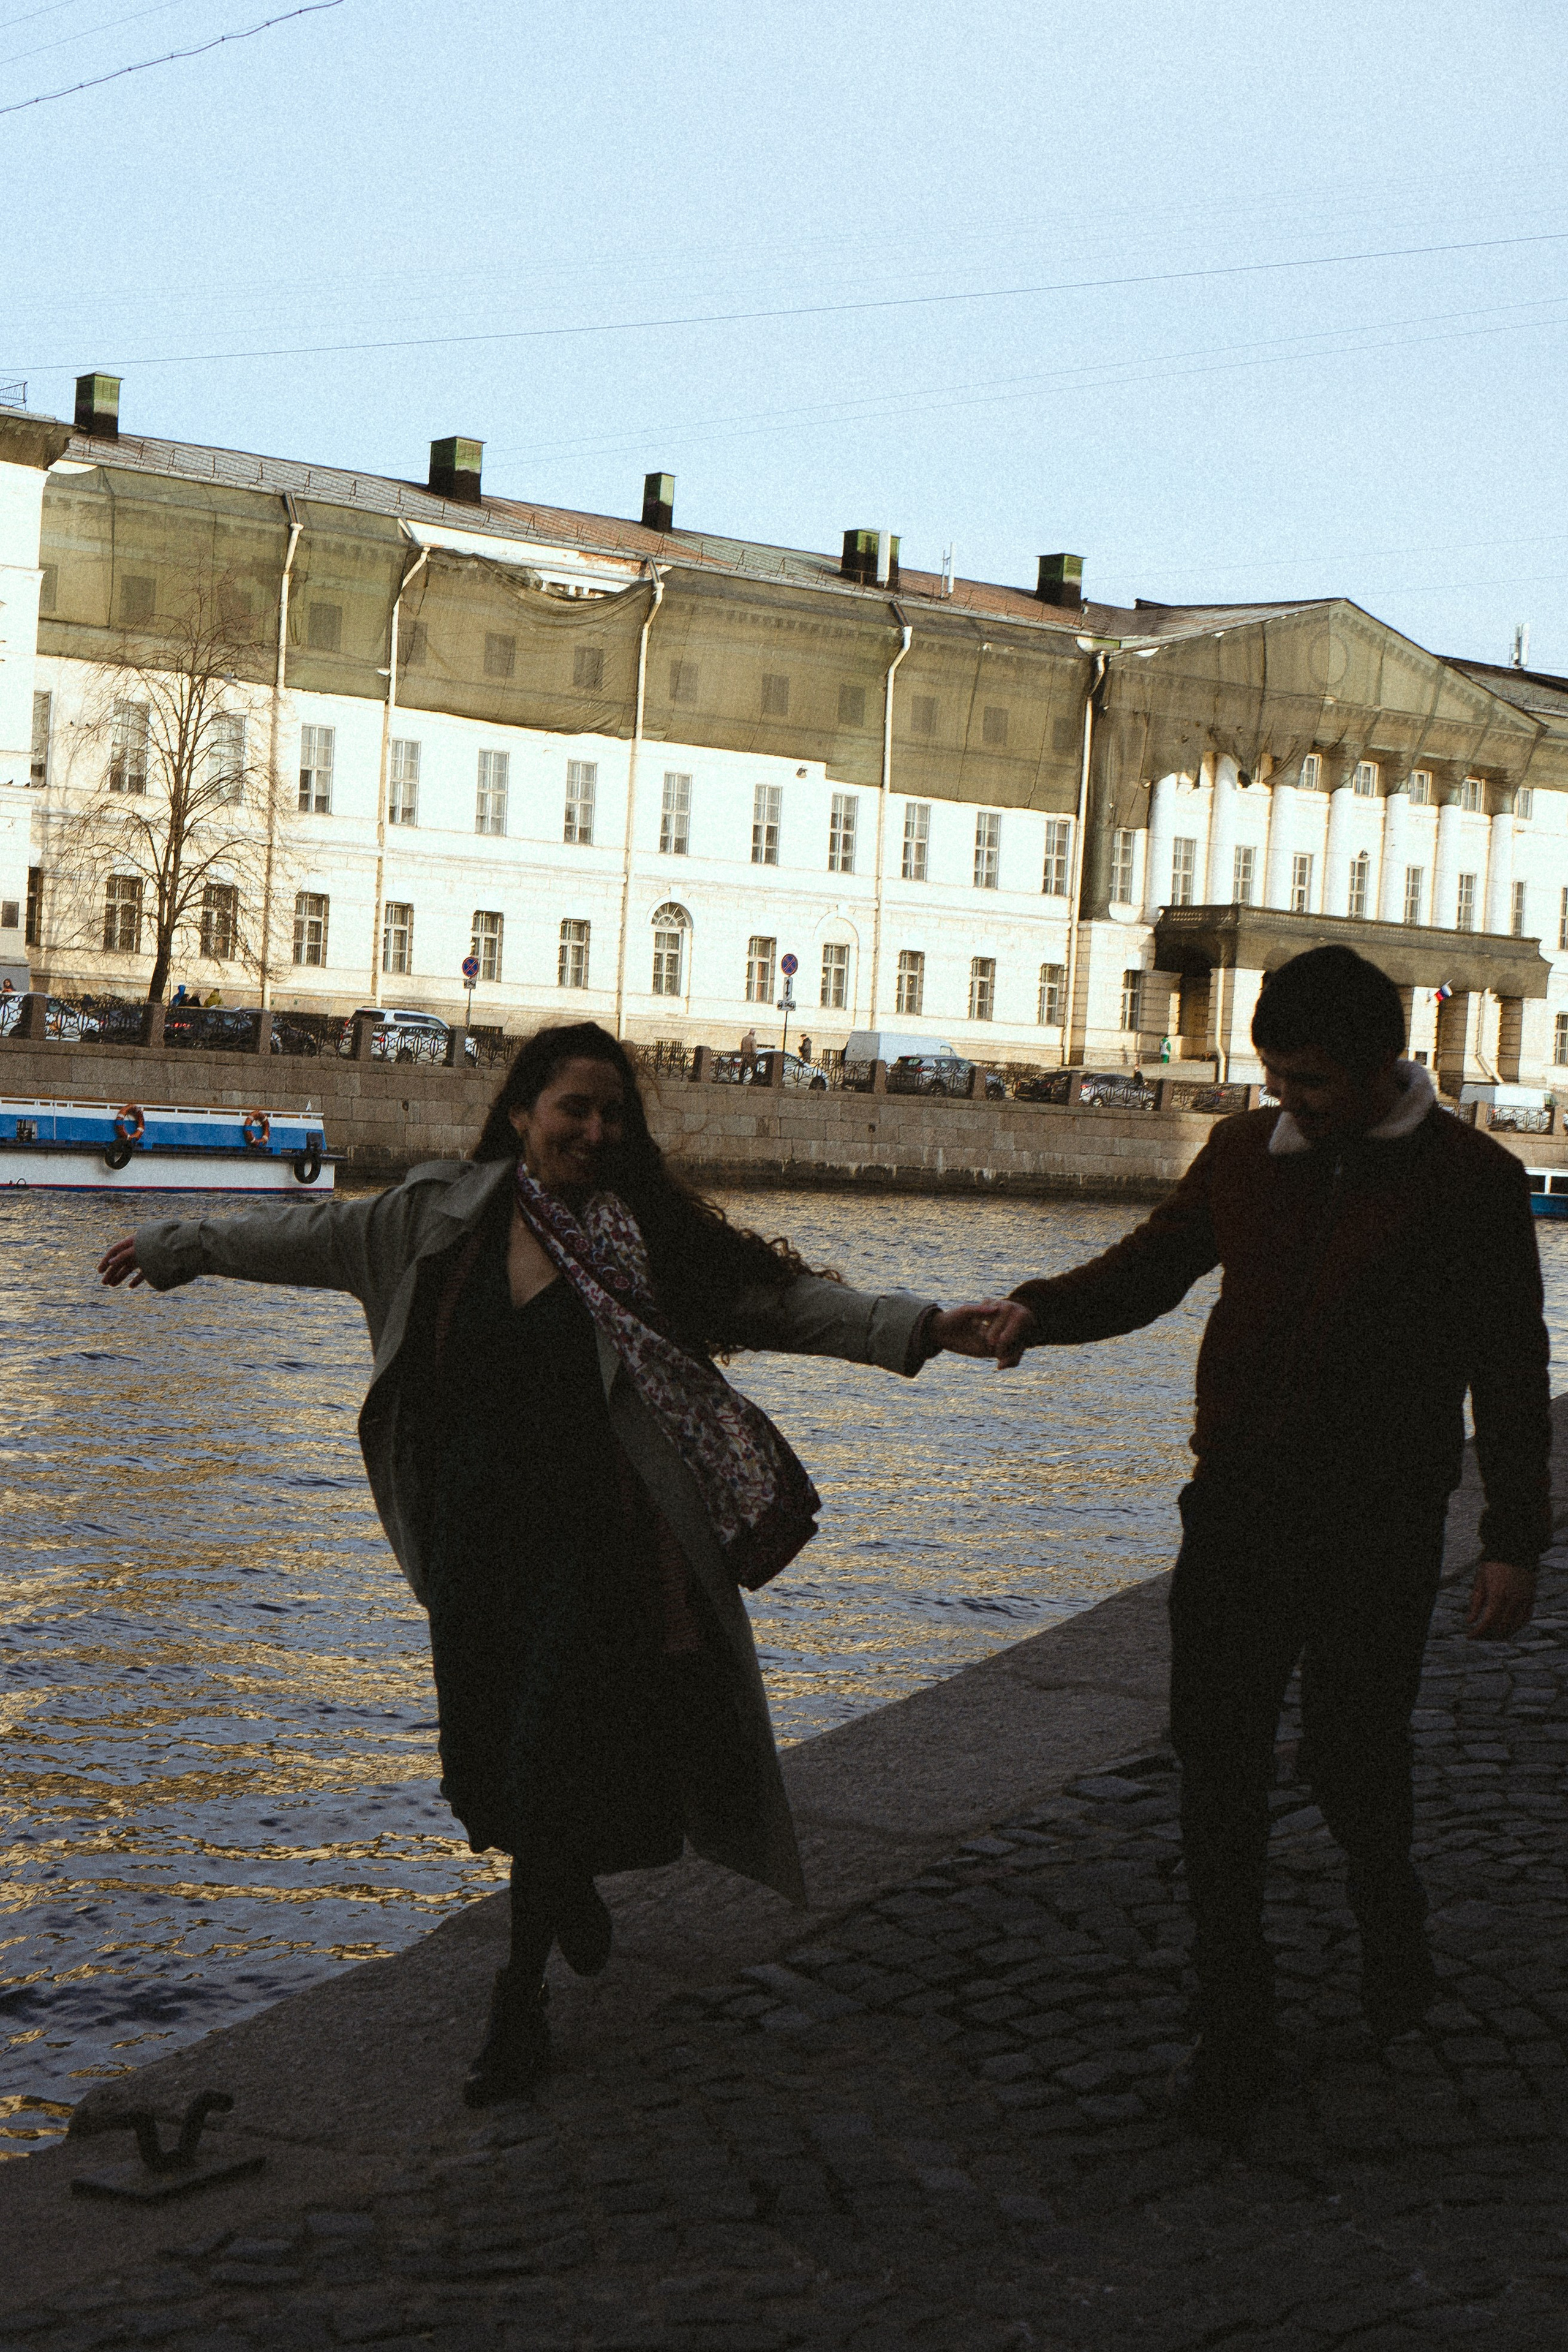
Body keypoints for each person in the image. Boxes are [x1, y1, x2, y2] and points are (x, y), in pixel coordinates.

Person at [98, 1020, 1005, 2106]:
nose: (594, 1129)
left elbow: (782, 1304)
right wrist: (180, 1247)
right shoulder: (435, 1221)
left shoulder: (647, 1240)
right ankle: (565, 1877)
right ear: (521, 1113)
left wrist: (922, 1326)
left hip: (602, 1547)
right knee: (482, 1772)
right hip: (474, 1548)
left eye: (612, 1114)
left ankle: (517, 2001)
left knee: (542, 1756)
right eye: (574, 1108)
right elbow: (306, 1240)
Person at [982, 946, 1549, 2132]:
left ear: (1380, 1064)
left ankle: (1388, 1927)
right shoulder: (1243, 1153)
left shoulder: (1469, 1180)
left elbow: (1507, 1369)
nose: (1287, 1098)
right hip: (1236, 1508)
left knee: (1353, 1753)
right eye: (1275, 1075)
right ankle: (1234, 2017)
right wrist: (1040, 1308)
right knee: (1216, 1758)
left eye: (1308, 1080)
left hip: (1376, 1525)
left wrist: (1510, 1540)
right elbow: (1152, 1269)